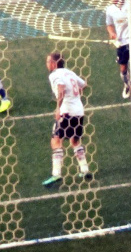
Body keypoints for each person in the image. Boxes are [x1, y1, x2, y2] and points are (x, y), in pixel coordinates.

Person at [44, 51, 92, 187]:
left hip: (66, 112)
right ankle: (84, 169)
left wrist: (58, 108)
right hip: (79, 111)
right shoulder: (69, 72)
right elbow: (84, 84)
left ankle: (56, 174)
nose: (47, 64)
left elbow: (61, 88)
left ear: (53, 63)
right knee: (74, 140)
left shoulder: (54, 75)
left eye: (48, 61)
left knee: (56, 140)